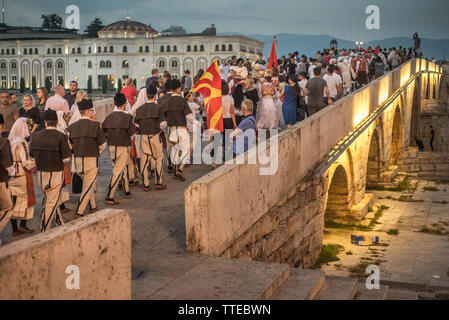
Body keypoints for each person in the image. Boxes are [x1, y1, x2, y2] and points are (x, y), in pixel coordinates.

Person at [29, 110, 71, 232]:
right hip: (55, 172)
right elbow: (66, 159)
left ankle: (59, 222)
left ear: (45, 122)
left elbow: (31, 156)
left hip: (41, 174)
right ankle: (44, 229)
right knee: (51, 201)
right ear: (57, 122)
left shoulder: (36, 135)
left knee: (50, 199)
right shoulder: (61, 136)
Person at [66, 99, 106, 219]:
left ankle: (93, 206)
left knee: (88, 185)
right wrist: (97, 150)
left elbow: (69, 144)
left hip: (78, 161)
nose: (93, 112)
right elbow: (103, 144)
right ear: (88, 111)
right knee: (88, 186)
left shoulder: (72, 127)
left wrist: (75, 150)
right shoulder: (95, 125)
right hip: (91, 160)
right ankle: (79, 211)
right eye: (92, 110)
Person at [102, 93, 137, 204]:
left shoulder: (108, 117)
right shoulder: (127, 117)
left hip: (111, 147)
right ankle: (109, 196)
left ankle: (127, 191)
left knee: (121, 169)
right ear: (124, 104)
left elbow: (104, 132)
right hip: (122, 146)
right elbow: (132, 134)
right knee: (118, 171)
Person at [134, 86, 167, 191]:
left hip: (144, 136)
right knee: (159, 159)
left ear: (146, 95)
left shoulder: (139, 109)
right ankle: (158, 182)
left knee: (144, 160)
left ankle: (146, 184)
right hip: (155, 136)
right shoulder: (159, 108)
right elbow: (163, 124)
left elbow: (136, 123)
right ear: (155, 95)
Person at [161, 79, 194, 181]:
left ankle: (175, 169)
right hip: (181, 129)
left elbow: (163, 121)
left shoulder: (166, 102)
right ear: (179, 88)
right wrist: (196, 123)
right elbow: (189, 117)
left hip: (171, 129)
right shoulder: (182, 101)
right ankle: (179, 169)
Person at [8, 117, 36, 235]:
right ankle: (22, 225)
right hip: (21, 174)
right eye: (28, 126)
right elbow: (25, 161)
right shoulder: (22, 142)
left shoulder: (9, 140)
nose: (29, 128)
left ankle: (15, 229)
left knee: (13, 201)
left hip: (11, 174)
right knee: (25, 199)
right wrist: (35, 164)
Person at [0, 114, 15, 240]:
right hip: (2, 181)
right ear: (1, 126)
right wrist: (13, 173)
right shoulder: (3, 142)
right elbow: (8, 166)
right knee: (8, 209)